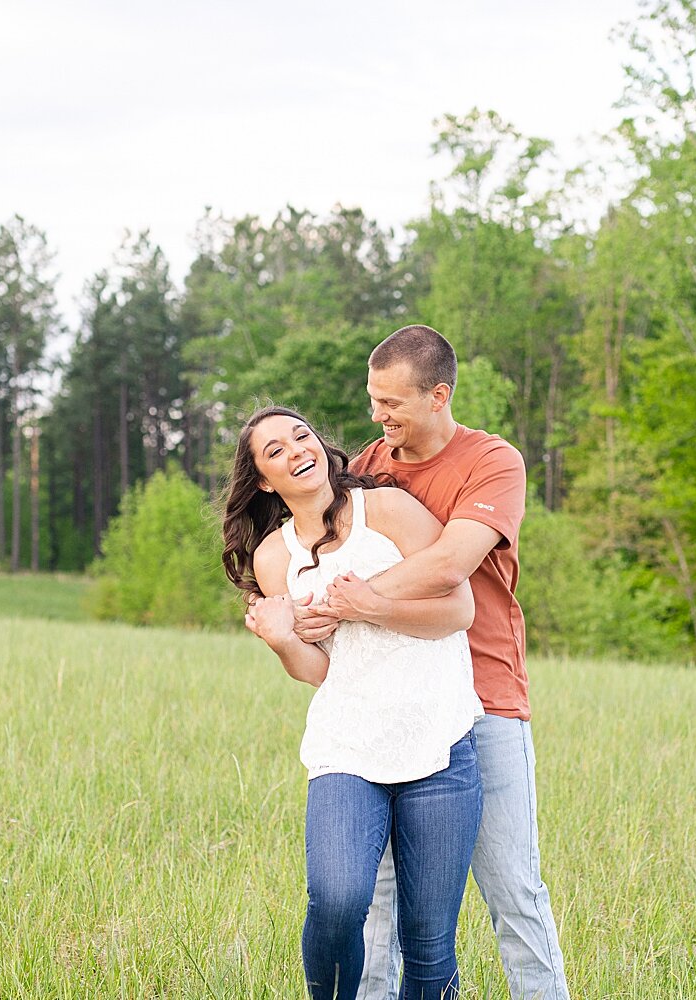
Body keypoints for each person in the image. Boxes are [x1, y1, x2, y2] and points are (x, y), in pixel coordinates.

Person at [294, 326, 571, 1000]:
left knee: (512, 888)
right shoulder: (368, 465)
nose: (377, 416)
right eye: (372, 400)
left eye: (391, 403)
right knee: (380, 904)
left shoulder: (493, 462)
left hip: (486, 699)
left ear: (438, 395)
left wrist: (354, 602)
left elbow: (452, 563)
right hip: (397, 704)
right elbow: (308, 538)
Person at [221, 404, 485, 1000]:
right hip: (348, 745)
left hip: (437, 739)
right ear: (264, 479)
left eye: (301, 435)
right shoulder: (274, 558)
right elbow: (320, 669)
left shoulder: (387, 508)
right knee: (338, 900)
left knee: (428, 938)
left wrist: (370, 606)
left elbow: (458, 610)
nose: (296, 450)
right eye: (276, 451)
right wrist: (283, 638)